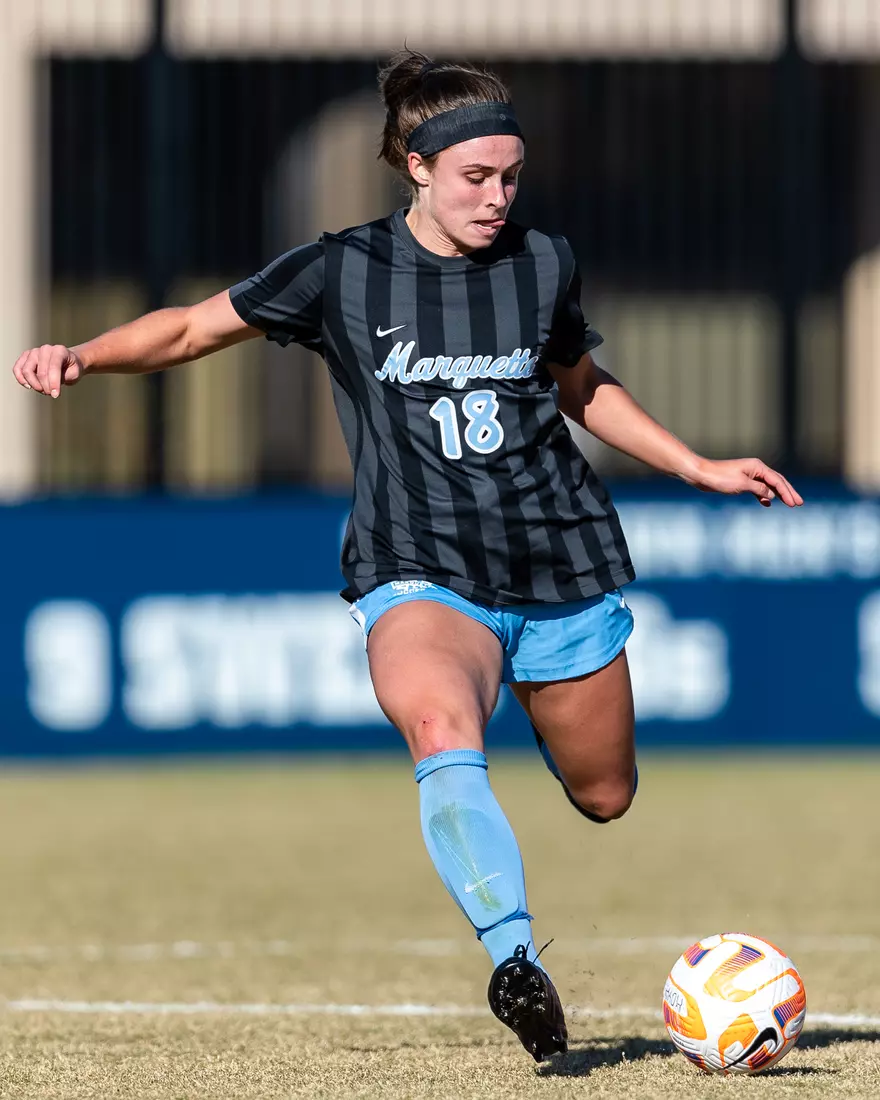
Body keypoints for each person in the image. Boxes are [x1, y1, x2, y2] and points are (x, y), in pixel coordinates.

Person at [12, 50, 803, 1062]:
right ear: (417, 168)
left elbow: (581, 383)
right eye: (476, 176)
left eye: (511, 175)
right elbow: (189, 328)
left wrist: (694, 462)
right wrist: (83, 354)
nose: (497, 195)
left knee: (605, 793)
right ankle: (514, 957)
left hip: (557, 558)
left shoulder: (542, 262)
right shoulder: (339, 269)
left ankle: (534, 823)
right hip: (418, 565)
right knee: (437, 722)